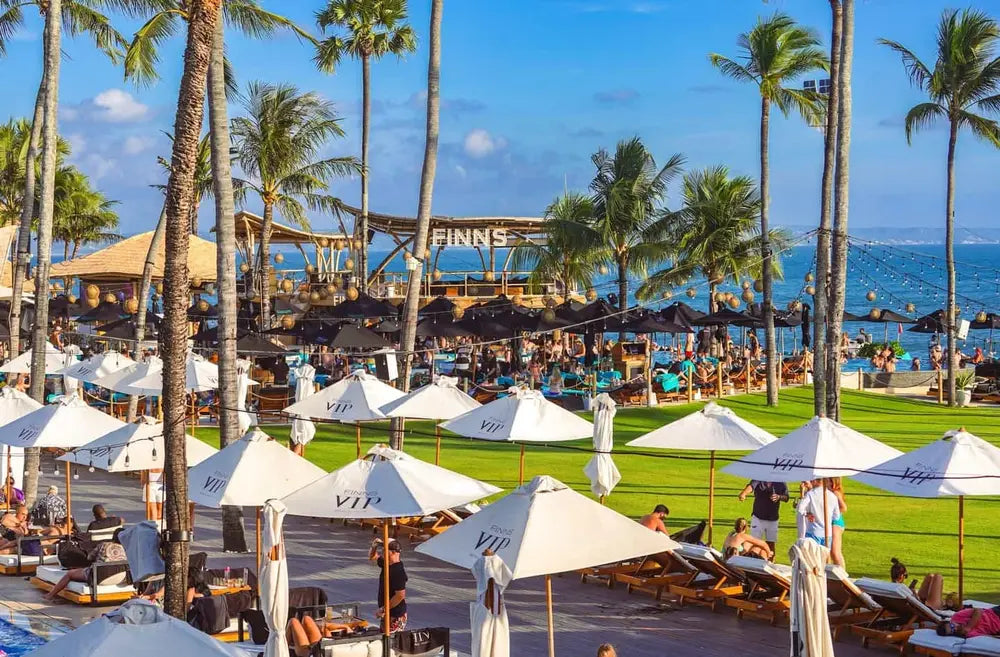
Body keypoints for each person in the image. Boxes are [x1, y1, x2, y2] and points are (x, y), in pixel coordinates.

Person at [44, 533, 128, 601]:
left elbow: (89, 558)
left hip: (100, 577)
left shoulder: (103, 545)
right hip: (120, 577)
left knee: (70, 574)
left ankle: (50, 595)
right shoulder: (127, 548)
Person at [737, 480, 789, 555]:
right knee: (754, 542)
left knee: (771, 543)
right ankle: (751, 562)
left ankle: (770, 563)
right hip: (758, 517)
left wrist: (779, 497)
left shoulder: (780, 480)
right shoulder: (760, 477)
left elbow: (786, 497)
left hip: (773, 519)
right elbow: (751, 486)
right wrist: (744, 493)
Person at [369, 538, 407, 633]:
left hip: (395, 615)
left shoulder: (398, 571)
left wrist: (384, 609)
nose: (382, 552)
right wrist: (374, 547)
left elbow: (400, 595)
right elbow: (373, 557)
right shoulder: (387, 564)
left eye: (384, 550)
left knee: (389, 643)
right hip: (388, 613)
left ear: (393, 552)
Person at [798, 478, 841, 546]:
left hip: (813, 532)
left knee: (812, 556)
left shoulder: (810, 494)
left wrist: (807, 514)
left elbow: (800, 508)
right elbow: (836, 517)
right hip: (827, 533)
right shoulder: (833, 496)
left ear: (815, 481)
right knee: (825, 556)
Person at [826, 478, 847, 568]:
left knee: (835, 552)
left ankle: (842, 575)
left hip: (836, 523)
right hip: (829, 522)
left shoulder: (835, 493)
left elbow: (844, 508)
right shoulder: (828, 491)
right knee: (829, 551)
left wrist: (832, 513)